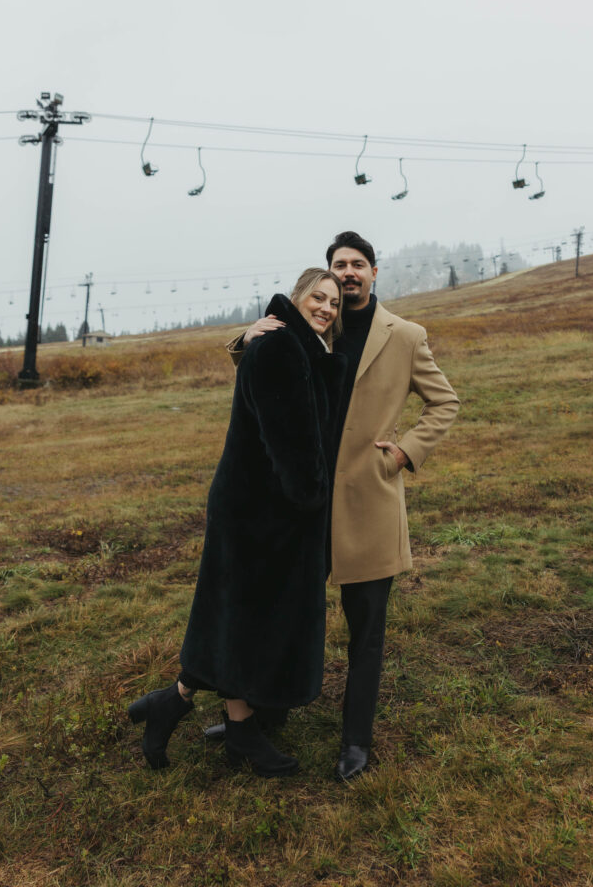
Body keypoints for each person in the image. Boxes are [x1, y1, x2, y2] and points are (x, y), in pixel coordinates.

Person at [213, 231, 460, 780]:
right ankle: (263, 716)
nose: (348, 273)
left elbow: (445, 402)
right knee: (284, 612)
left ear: (373, 272)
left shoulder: (405, 335)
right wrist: (244, 339)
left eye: (357, 264)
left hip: (370, 502)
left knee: (365, 631)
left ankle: (356, 741)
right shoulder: (317, 324)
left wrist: (405, 451)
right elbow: (269, 377)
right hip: (303, 507)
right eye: (339, 264)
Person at [128, 268, 347, 777]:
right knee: (244, 618)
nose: (326, 308)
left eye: (334, 303)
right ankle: (209, 719)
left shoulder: (295, 346)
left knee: (239, 617)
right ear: (298, 296)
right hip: (261, 513)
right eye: (318, 297)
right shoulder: (281, 347)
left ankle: (194, 711)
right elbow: (290, 442)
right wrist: (313, 497)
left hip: (259, 508)